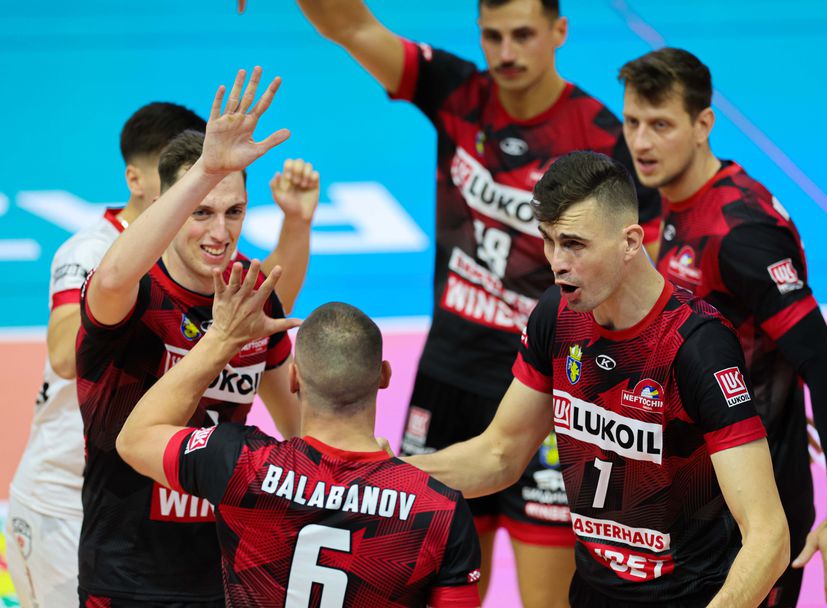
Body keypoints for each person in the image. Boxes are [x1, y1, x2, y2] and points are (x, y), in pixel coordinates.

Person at [252, 0, 661, 602]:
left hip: (548, 385)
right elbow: (353, 25)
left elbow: (641, 270)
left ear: (559, 31)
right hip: (448, 373)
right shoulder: (459, 91)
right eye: (492, 36)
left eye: (523, 34)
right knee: (432, 590)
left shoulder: (602, 140)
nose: (506, 53)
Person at [406, 151, 790, 607]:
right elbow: (500, 454)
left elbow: (769, 536)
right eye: (548, 240)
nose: (556, 262)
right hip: (593, 594)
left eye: (574, 244)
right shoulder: (556, 315)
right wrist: (385, 474)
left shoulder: (696, 346)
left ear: (630, 242)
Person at [6, 99, 318, 607]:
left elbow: (301, 427)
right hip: (120, 569)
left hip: (218, 572)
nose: (220, 233)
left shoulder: (246, 294)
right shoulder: (131, 291)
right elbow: (98, 299)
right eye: (201, 211)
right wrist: (207, 170)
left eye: (234, 212)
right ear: (168, 204)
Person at [617, 47, 827, 606]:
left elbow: (825, 368)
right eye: (632, 122)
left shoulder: (741, 233)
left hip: (753, 515)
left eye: (660, 125)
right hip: (691, 494)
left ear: (703, 124)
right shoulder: (666, 196)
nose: (640, 142)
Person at [115, 270, 483, 607]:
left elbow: (134, 439)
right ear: (384, 375)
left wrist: (222, 339)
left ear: (293, 378)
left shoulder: (240, 463)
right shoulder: (439, 510)